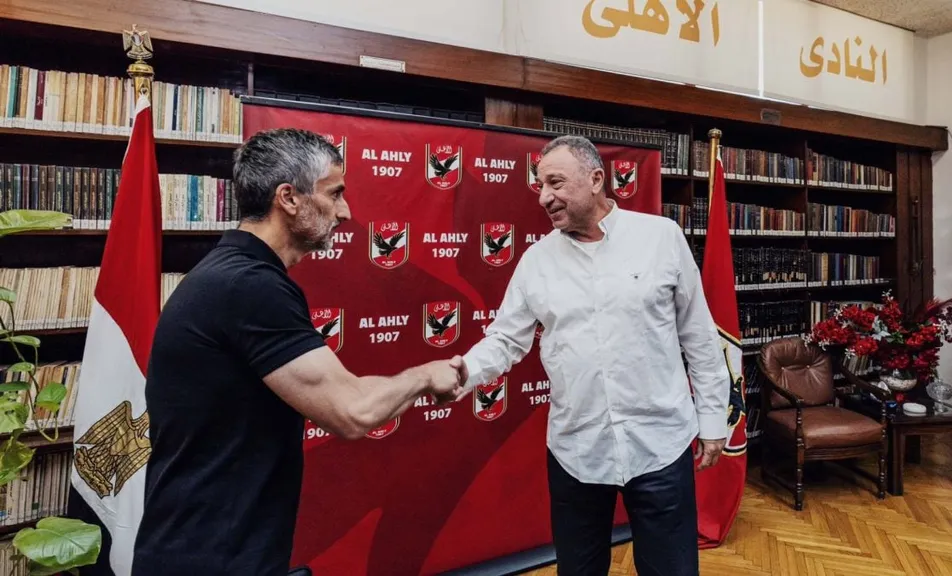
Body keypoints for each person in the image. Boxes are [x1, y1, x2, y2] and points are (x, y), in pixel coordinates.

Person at [132, 128, 465, 575]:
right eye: (336, 194)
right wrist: (426, 376)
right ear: (288, 198)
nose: (345, 213)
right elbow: (352, 411)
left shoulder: (233, 274)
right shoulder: (249, 286)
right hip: (210, 556)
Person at [451, 135, 730, 575]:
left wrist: (714, 419)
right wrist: (461, 372)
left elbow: (698, 336)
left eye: (556, 183)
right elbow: (505, 340)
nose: (544, 197)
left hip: (660, 443)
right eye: (540, 186)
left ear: (596, 179)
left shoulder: (661, 237)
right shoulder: (536, 261)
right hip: (577, 451)